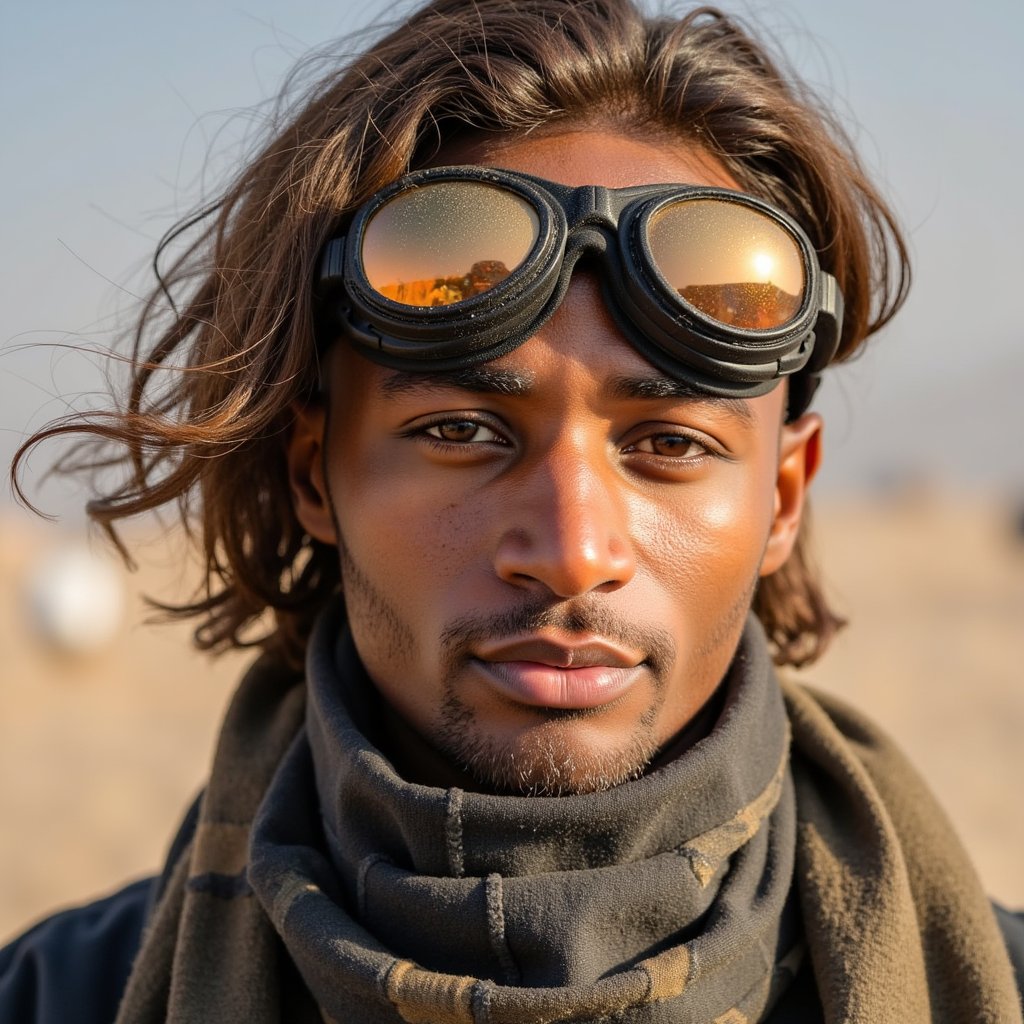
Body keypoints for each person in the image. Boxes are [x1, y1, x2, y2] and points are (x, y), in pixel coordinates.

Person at [3, 0, 1022, 1020]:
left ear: (783, 498)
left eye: (669, 445)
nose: (572, 552)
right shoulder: (60, 995)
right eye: (461, 432)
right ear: (313, 472)